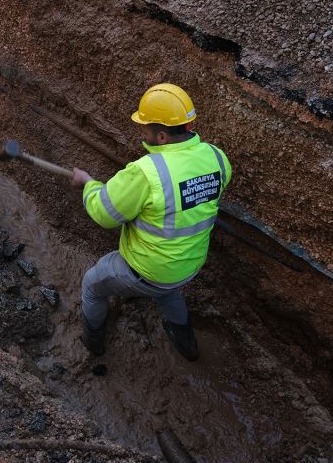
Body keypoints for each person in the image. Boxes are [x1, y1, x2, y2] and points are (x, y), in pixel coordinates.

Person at [71, 83, 231, 361]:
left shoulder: (146, 172)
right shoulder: (217, 157)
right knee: (168, 290)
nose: (140, 134)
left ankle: (92, 342)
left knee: (92, 286)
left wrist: (88, 184)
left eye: (144, 130)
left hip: (149, 270)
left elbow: (103, 214)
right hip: (190, 263)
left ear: (161, 136)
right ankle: (187, 344)